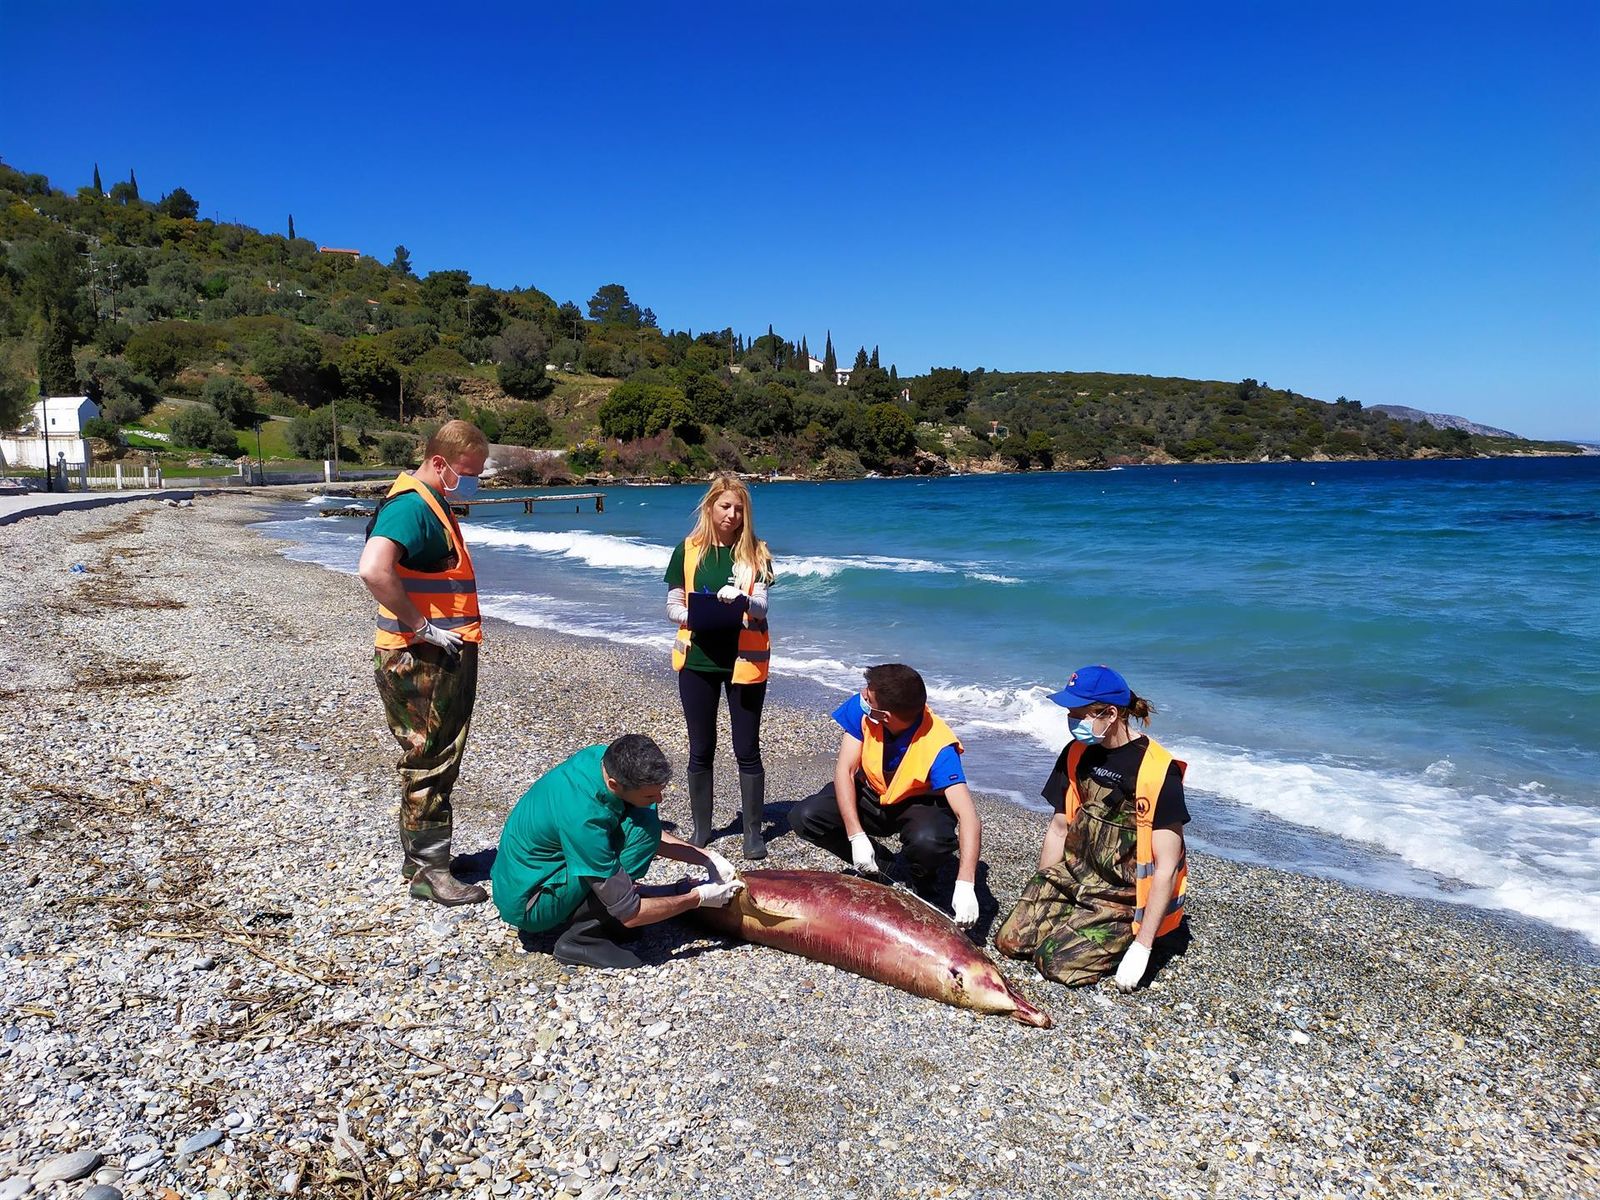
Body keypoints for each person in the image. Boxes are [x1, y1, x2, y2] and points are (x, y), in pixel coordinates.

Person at [358, 419, 491, 907]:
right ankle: (430, 872)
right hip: (423, 658)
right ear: (439, 464)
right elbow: (373, 569)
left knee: (430, 758)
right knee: (432, 759)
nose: (473, 482)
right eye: (468, 472)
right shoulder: (413, 505)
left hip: (433, 654)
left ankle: (421, 858)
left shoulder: (427, 503)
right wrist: (421, 626)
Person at [995, 665, 1191, 992]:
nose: (1073, 721)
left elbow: (1167, 866)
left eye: (1079, 713)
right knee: (1011, 942)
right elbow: (1059, 827)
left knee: (1054, 964)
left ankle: (1124, 941)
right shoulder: (1076, 753)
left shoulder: (1157, 771)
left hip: (1122, 897)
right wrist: (1041, 888)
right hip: (1075, 878)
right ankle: (1074, 921)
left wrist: (1143, 946)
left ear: (1111, 713)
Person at [491, 735, 745, 968]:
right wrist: (698, 898)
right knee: (642, 830)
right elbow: (631, 913)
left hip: (527, 876)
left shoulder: (603, 759)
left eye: (660, 791)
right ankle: (581, 938)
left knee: (643, 819)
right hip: (530, 902)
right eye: (650, 794)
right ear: (614, 783)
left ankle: (599, 917)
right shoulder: (584, 820)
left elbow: (648, 830)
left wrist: (706, 858)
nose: (660, 799)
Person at [788, 663, 982, 927]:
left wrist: (966, 883)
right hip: (871, 795)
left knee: (930, 842)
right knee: (805, 816)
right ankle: (882, 865)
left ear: (886, 715)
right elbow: (845, 770)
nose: (862, 697)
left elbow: (968, 815)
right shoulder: (864, 709)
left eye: (869, 698)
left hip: (916, 804)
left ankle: (922, 880)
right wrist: (856, 836)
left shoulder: (939, 745)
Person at [664, 473, 774, 858]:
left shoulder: (756, 552)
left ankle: (753, 834)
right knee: (701, 748)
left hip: (744, 663)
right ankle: (701, 830)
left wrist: (741, 601)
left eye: (739, 509)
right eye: (725, 506)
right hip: (698, 660)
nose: (732, 515)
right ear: (710, 507)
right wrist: (693, 616)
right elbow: (672, 604)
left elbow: (761, 606)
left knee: (747, 747)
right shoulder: (688, 550)